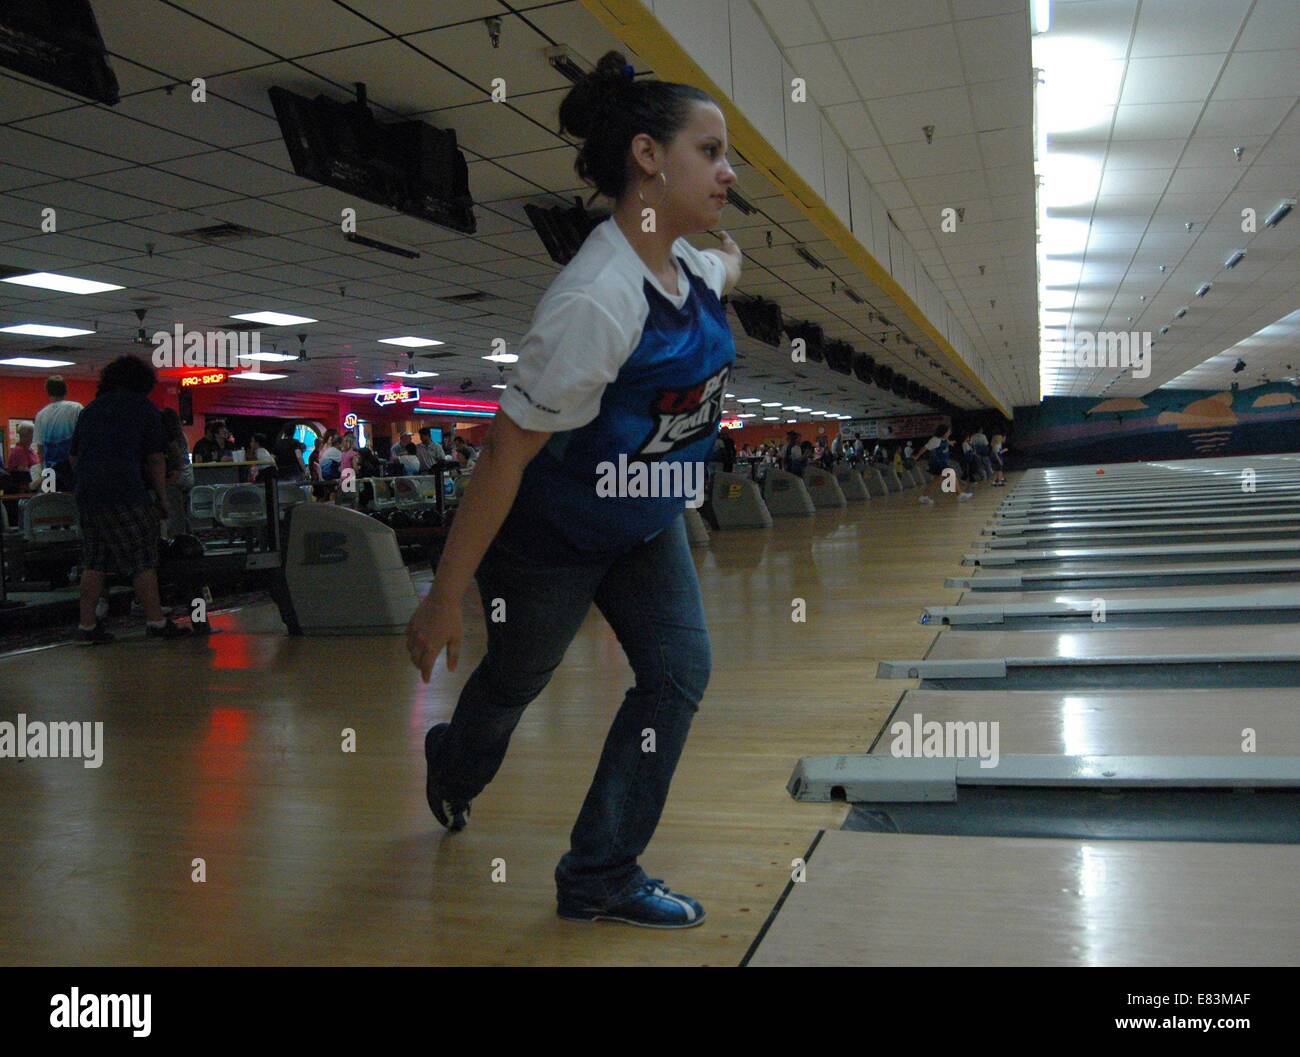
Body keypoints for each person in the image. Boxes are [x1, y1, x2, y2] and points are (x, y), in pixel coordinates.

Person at [405, 49, 741, 929]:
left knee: (678, 674)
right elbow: (504, 456)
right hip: (549, 539)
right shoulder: (594, 301)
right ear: (647, 157)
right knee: (517, 680)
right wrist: (443, 596)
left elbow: (721, 272)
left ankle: (600, 872)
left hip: (642, 526)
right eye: (709, 151)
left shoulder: (695, 271)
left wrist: (733, 254)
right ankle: (454, 764)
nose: (727, 170)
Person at [69, 355, 191, 643]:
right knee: (142, 560)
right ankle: (156, 622)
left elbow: (73, 457)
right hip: (125, 492)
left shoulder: (90, 410)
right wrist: (163, 500)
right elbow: (156, 459)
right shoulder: (143, 408)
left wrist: (89, 480)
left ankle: (86, 627)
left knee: (95, 561)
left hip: (88, 495)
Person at [33, 375, 83, 491]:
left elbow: (40, 449)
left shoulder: (41, 414)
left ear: (48, 392)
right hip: (72, 471)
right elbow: (83, 440)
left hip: (50, 473)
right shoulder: (76, 408)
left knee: (53, 505)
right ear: (65, 390)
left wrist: (42, 473)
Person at [917, 424, 972, 505]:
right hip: (938, 463)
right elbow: (925, 448)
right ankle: (960, 495)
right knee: (952, 474)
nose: (949, 433)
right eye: (948, 431)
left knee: (937, 481)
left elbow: (946, 442)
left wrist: (950, 443)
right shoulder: (935, 440)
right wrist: (916, 456)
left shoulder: (944, 439)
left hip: (941, 463)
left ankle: (924, 496)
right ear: (943, 432)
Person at [5, 424, 39, 489]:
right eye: (33, 434)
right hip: (24, 491)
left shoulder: (30, 450)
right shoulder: (19, 451)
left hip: (33, 486)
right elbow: (25, 476)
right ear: (25, 435)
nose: (35, 436)